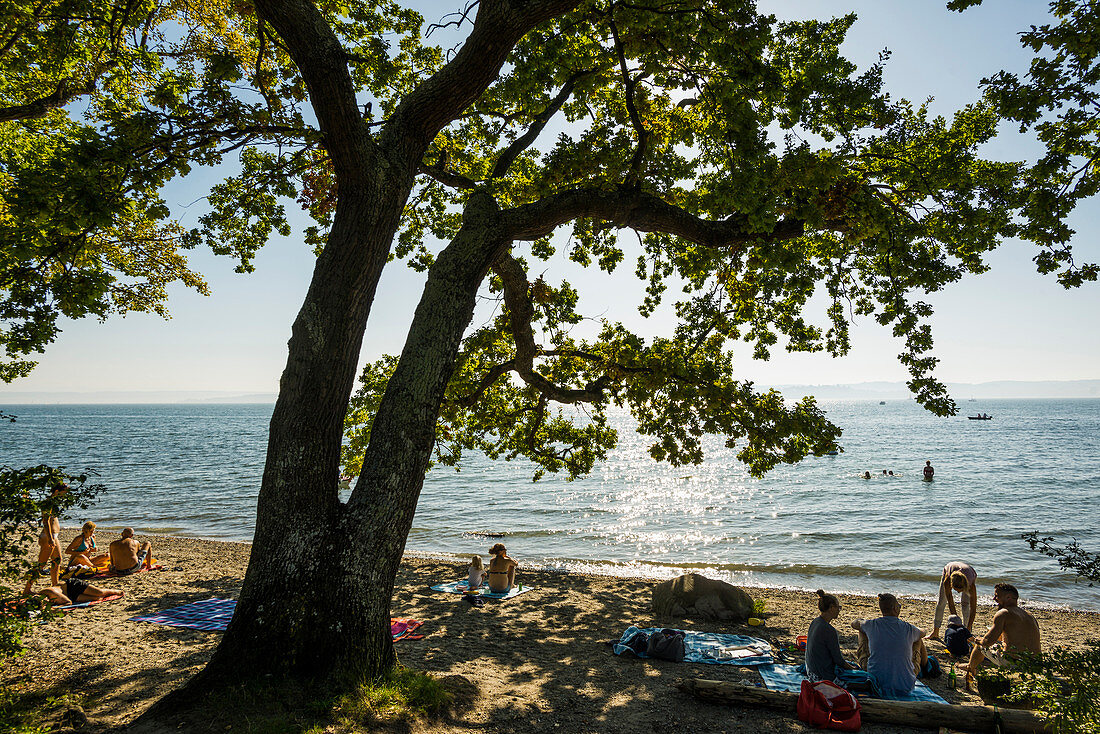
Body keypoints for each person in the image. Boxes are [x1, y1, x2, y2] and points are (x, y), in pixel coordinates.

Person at [851, 593, 927, 697]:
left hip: (876, 683)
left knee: (862, 631)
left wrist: (861, 622)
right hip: (905, 686)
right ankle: (926, 664)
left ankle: (867, 658)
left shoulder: (871, 625)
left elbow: (854, 623)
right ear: (895, 608)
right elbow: (923, 632)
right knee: (918, 639)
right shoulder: (908, 628)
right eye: (899, 606)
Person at [962, 583, 1041, 675]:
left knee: (980, 644)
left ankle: (970, 667)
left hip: (1015, 664)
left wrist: (978, 640)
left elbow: (987, 642)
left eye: (997, 596)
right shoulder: (1029, 615)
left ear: (1008, 597)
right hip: (1036, 664)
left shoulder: (1003, 613)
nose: (994, 599)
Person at [23, 483, 68, 594]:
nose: (65, 495)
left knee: (57, 560)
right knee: (41, 564)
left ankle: (55, 585)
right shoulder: (48, 503)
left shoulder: (54, 503)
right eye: (64, 492)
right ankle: (27, 589)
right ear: (57, 491)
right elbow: (45, 521)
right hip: (48, 536)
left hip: (53, 535)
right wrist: (50, 538)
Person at [805, 589, 858, 681]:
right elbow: (838, 660)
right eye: (838, 607)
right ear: (831, 608)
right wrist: (853, 669)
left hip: (810, 670)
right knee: (865, 680)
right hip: (821, 676)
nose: (839, 610)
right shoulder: (829, 630)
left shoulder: (815, 621)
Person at [926, 560, 977, 639]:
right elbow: (951, 603)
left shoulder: (971, 584)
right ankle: (935, 632)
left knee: (966, 604)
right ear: (951, 585)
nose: (958, 592)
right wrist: (957, 623)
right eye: (955, 590)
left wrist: (969, 627)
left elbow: (973, 609)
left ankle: (967, 631)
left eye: (960, 590)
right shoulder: (948, 580)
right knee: (941, 602)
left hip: (969, 573)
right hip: (949, 569)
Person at [38, 578, 122, 606]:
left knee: (99, 593)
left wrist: (54, 608)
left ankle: (114, 591)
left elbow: (68, 602)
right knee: (97, 598)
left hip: (72, 585)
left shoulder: (50, 592)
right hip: (70, 595)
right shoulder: (46, 600)